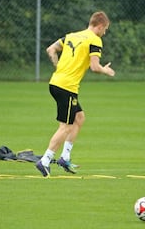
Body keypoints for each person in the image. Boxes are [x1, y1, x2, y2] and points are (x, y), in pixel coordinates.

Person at [35, 11, 115, 177]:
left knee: (79, 118)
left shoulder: (72, 36)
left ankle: (65, 157)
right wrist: (105, 70)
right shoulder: (95, 40)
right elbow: (94, 66)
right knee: (66, 126)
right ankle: (45, 160)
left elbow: (51, 49)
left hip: (56, 83)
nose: (104, 33)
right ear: (100, 26)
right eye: (105, 29)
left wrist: (58, 67)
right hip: (67, 87)